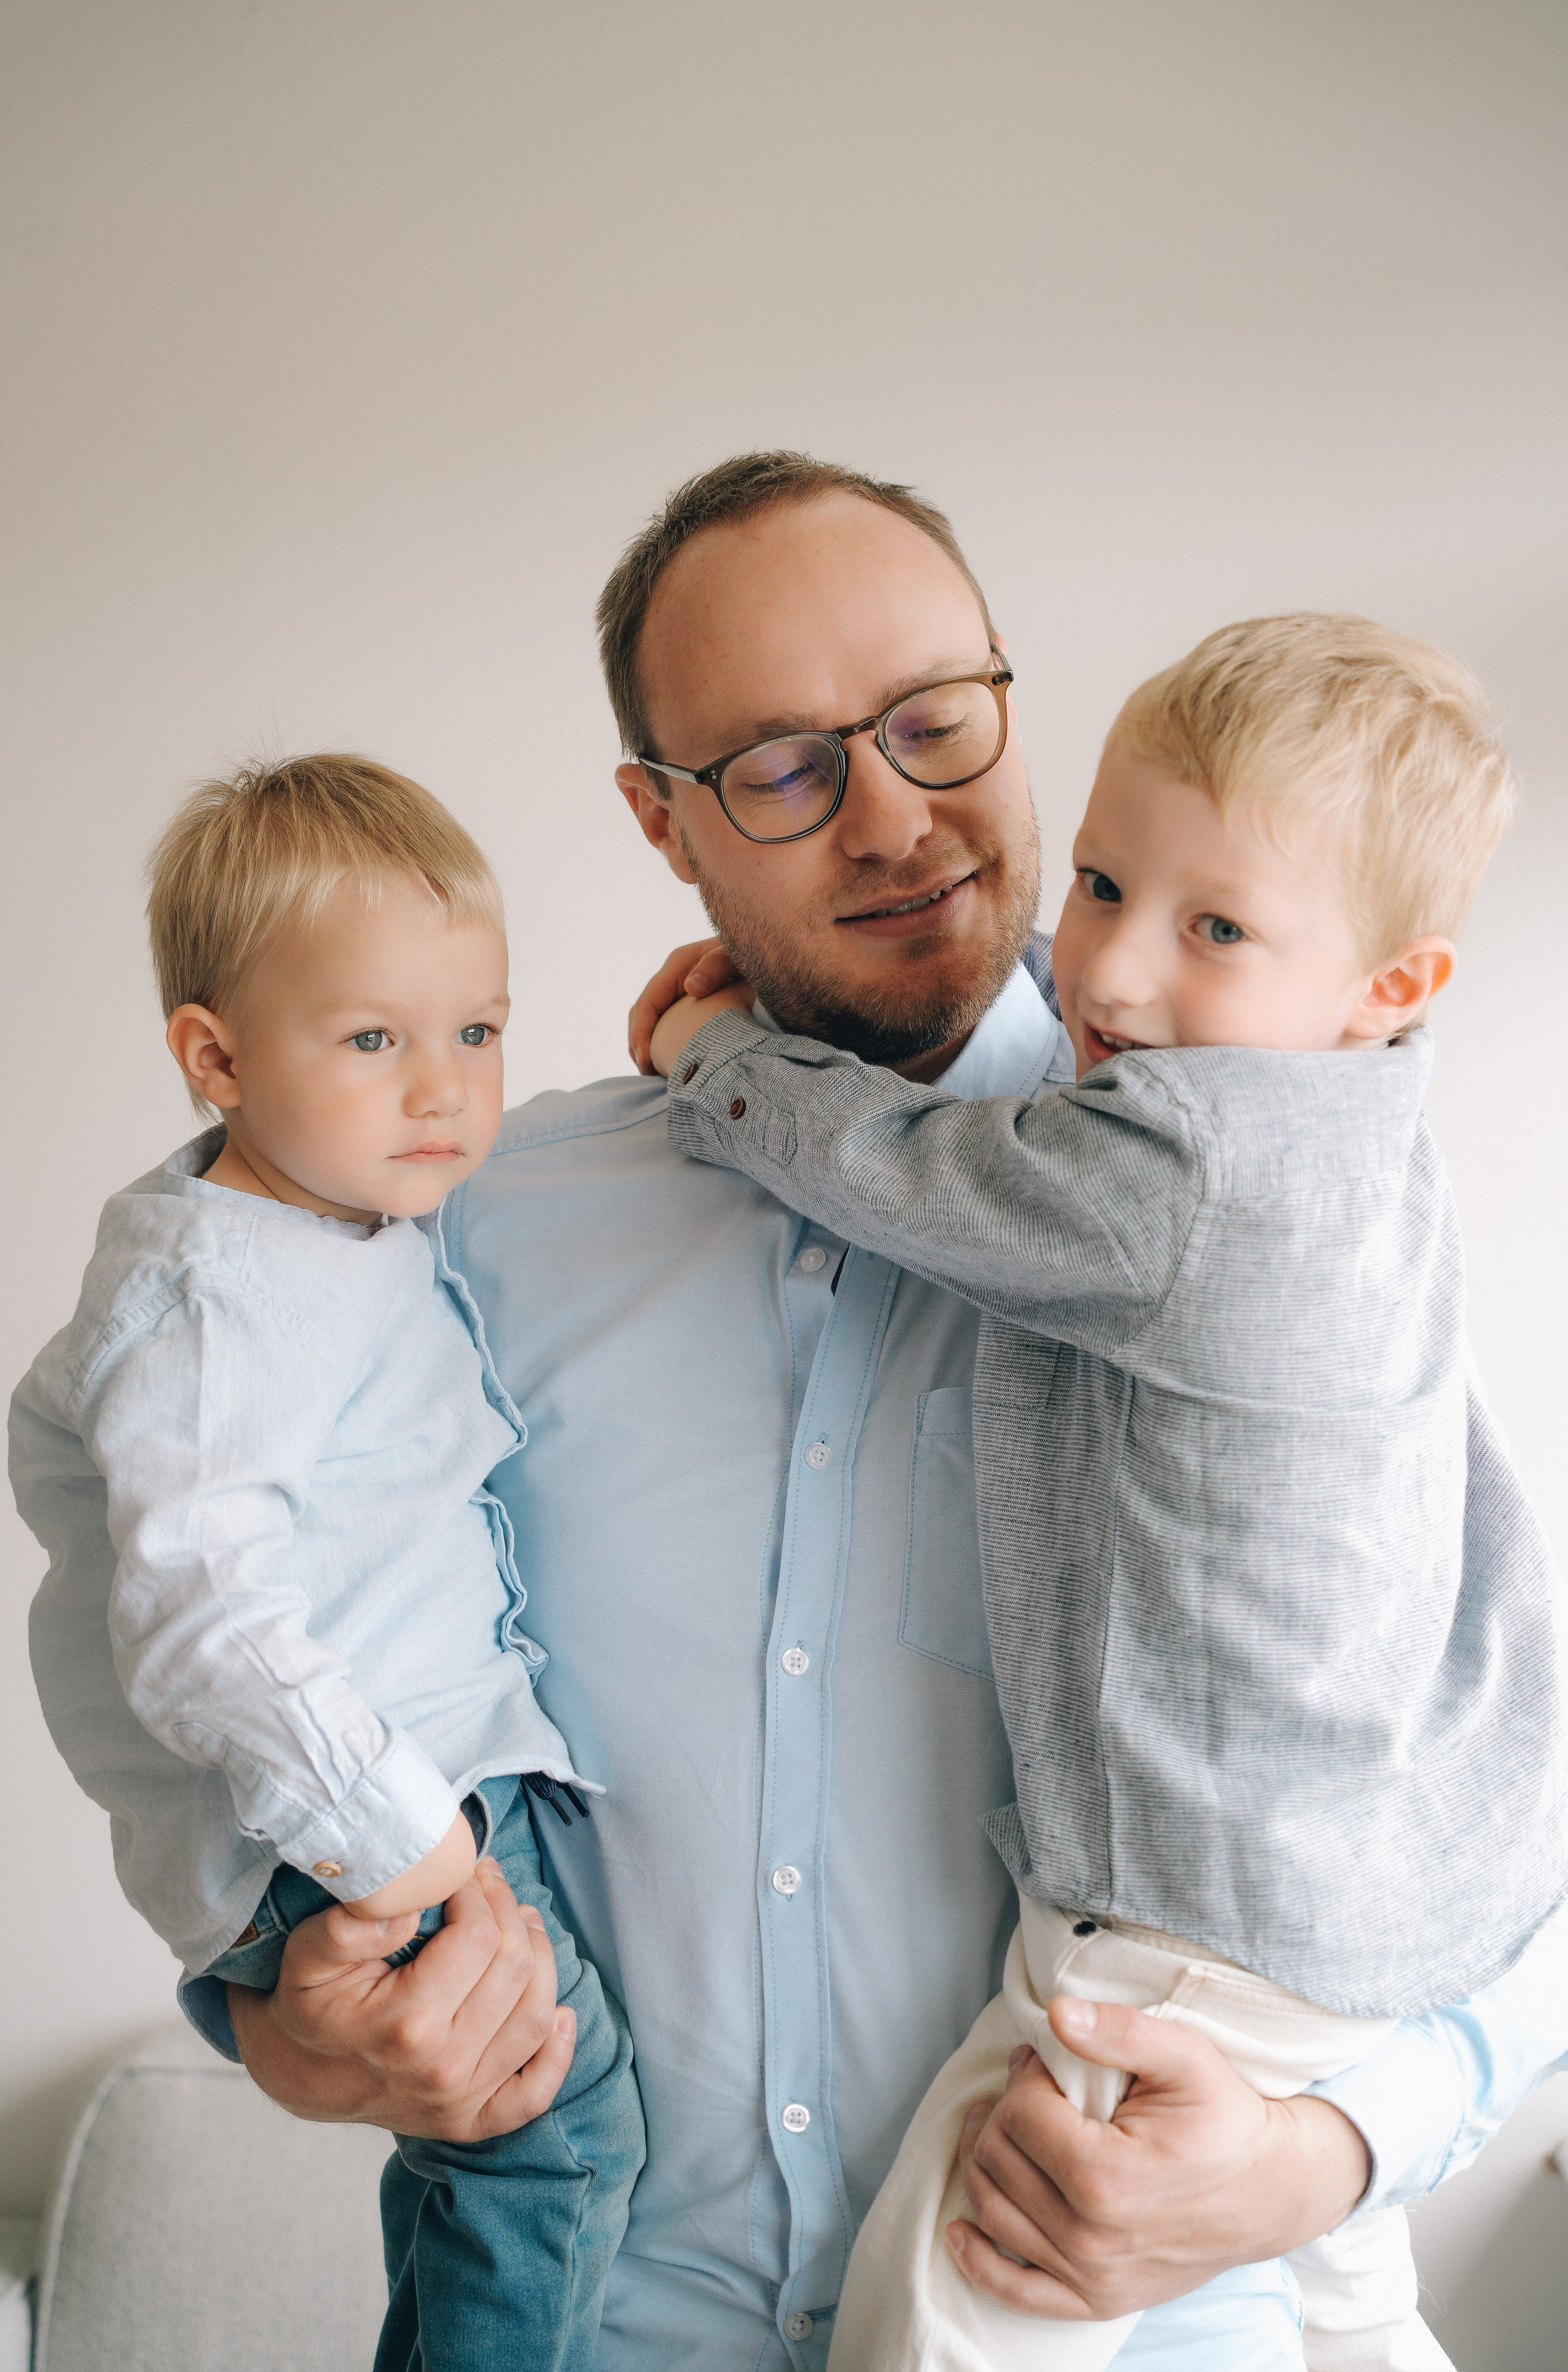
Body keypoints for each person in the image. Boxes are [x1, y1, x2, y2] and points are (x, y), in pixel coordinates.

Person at [153, 457, 1568, 2370]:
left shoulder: (1289, 1234)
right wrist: (273, 2018)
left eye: (935, 724)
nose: (898, 815)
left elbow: (1493, 1786)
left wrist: (1327, 2156)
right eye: (786, 766)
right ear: (662, 824)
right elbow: (197, 1578)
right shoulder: (466, 1233)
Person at [643, 610, 1567, 2370]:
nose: (1117, 975)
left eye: (1217, 929)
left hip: (1183, 1920)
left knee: (958, 2291)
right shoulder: (1373, 1158)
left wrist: (717, 1063)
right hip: (1357, 1915)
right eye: (1105, 885)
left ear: (1397, 986)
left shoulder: (1190, 1158)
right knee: (1350, 2291)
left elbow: (909, 1176)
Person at [9, 756, 645, 2372]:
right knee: (553, 2134)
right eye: (375, 1039)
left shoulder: (343, 1220)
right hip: (369, 1816)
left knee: (489, 2162)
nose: (444, 1091)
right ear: (213, 1057)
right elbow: (198, 1624)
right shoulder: (220, 1298)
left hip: (399, 1805)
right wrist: (411, 1848)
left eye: (477, 1033)